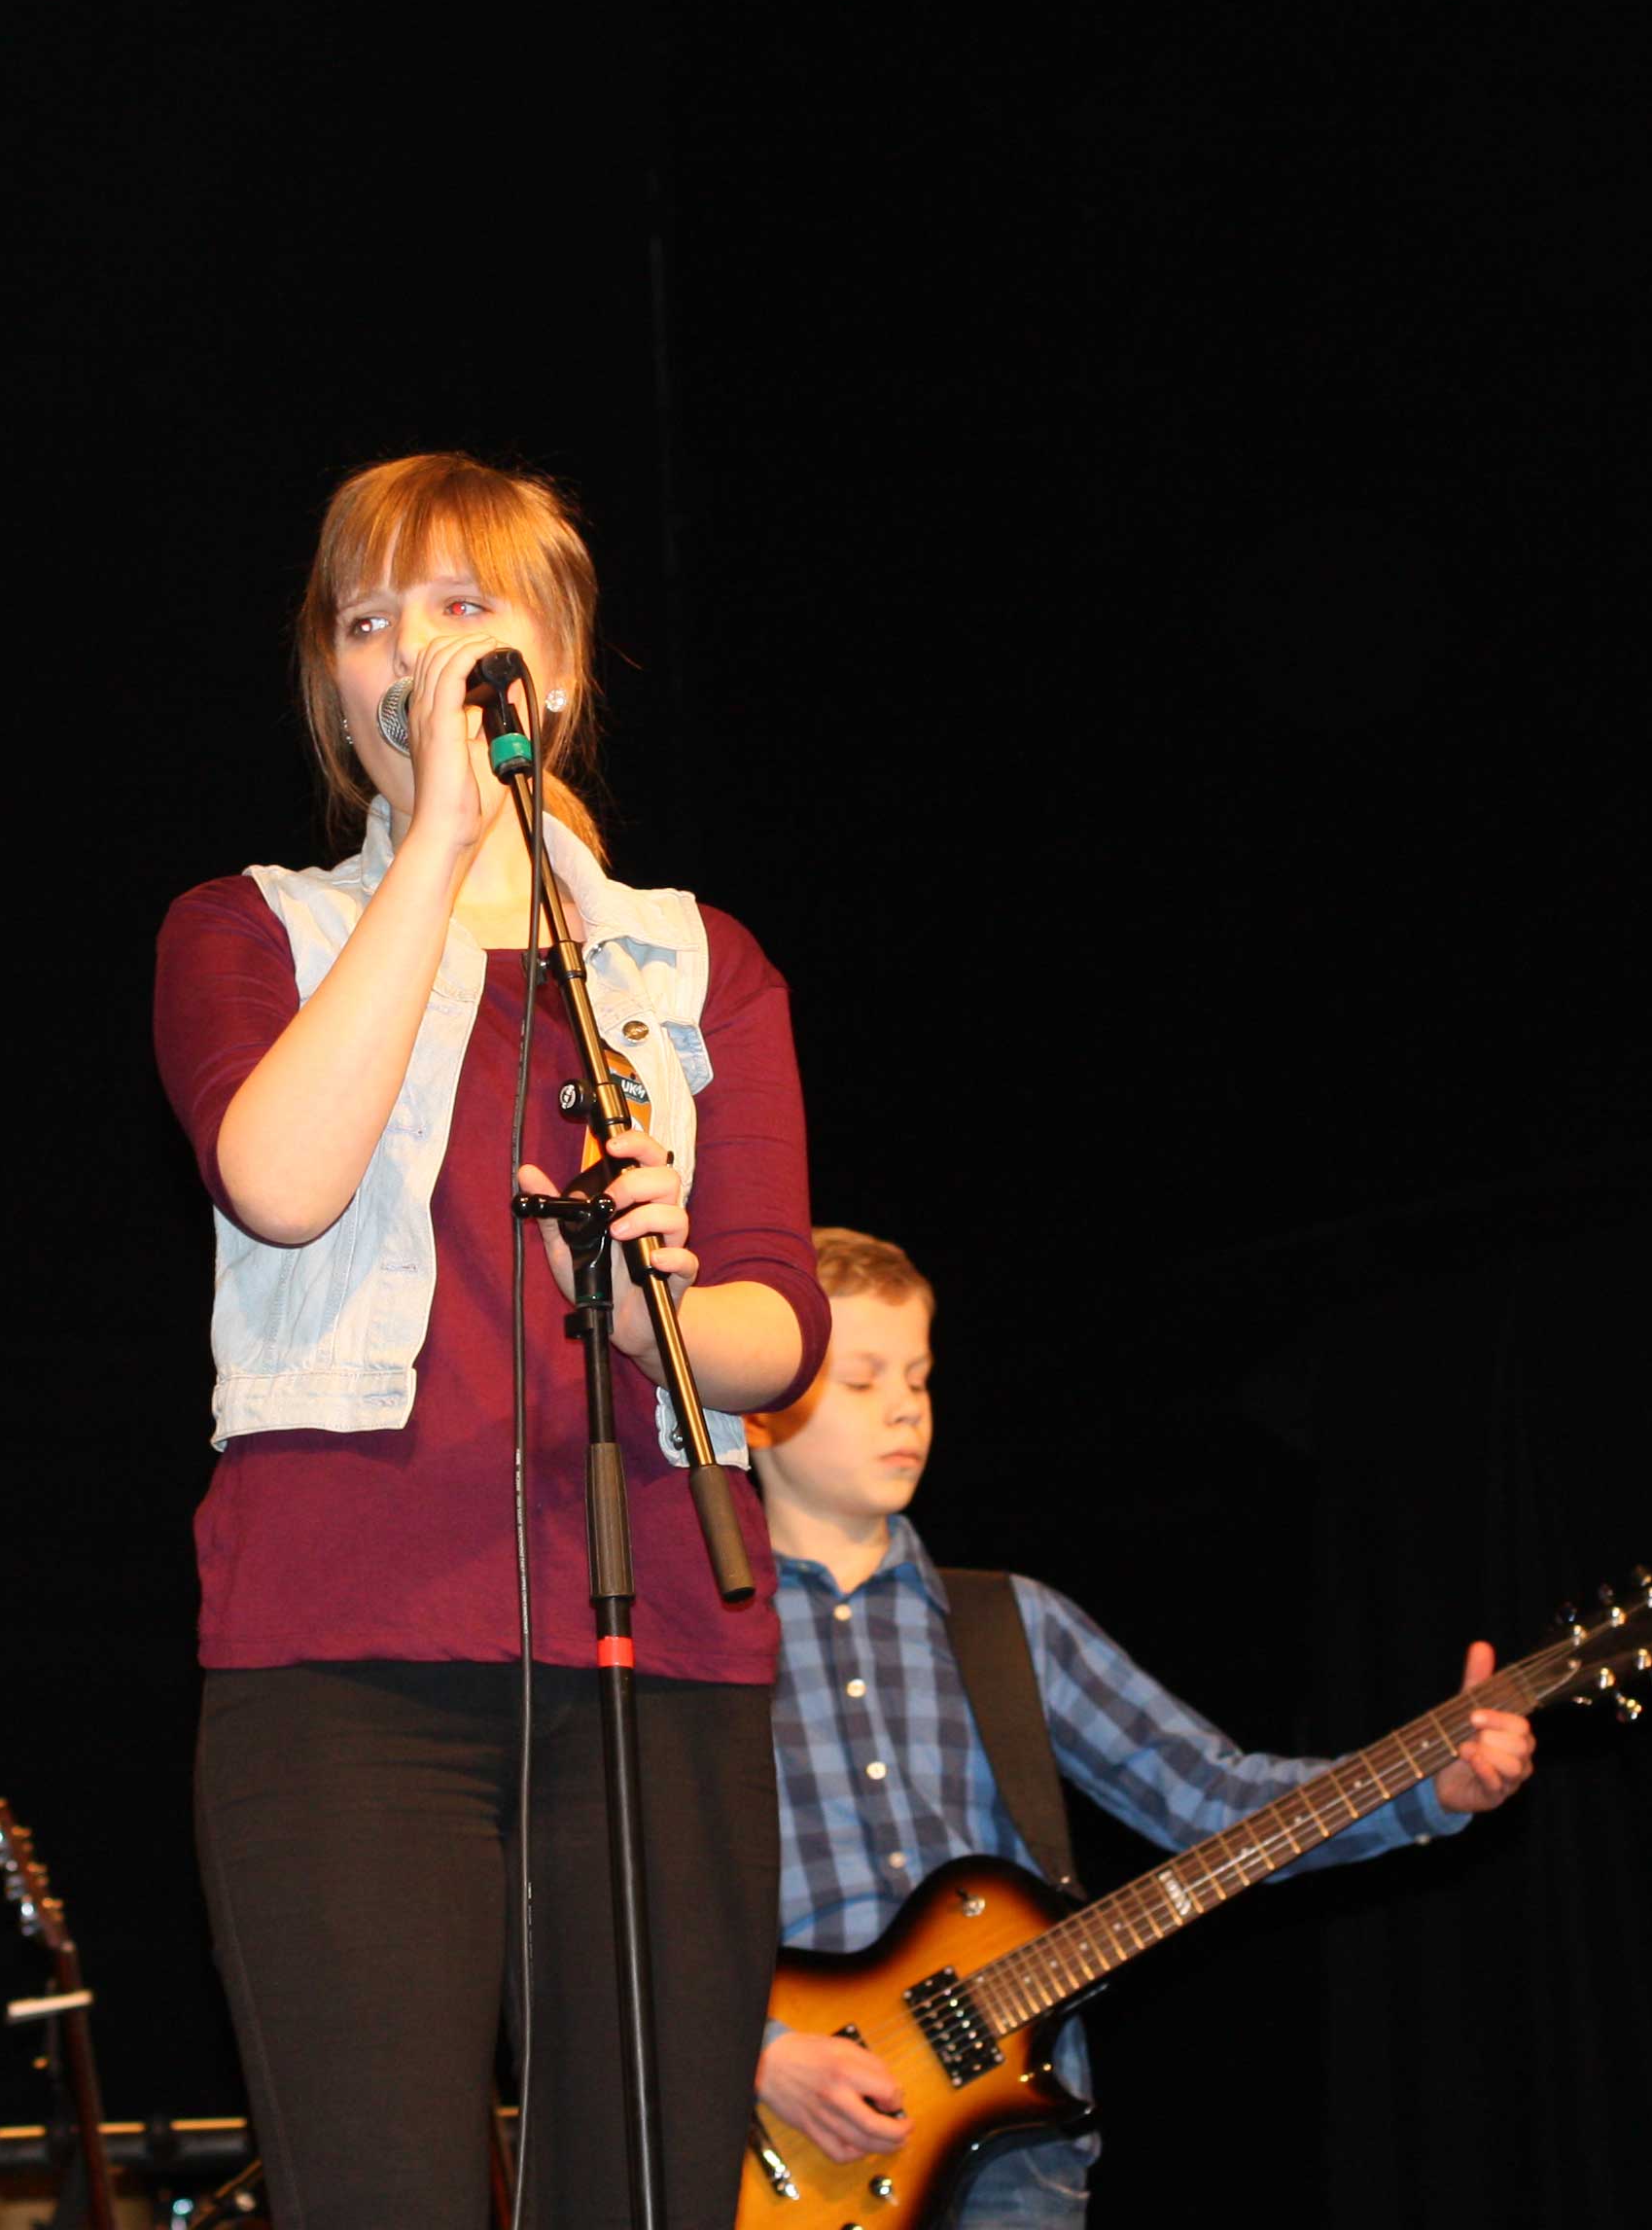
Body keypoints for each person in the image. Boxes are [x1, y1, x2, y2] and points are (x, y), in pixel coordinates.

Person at [150, 453, 835, 2230]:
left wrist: (654, 1303)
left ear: (559, 665)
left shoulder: (694, 966)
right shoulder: (252, 930)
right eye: (368, 620)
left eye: (464, 607)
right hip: (346, 1670)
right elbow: (279, 1180)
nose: (414, 652)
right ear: (335, 692)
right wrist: (444, 848)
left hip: (660, 1658)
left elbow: (775, 1325)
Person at [749, 1229, 1534, 2230]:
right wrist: (761, 2053)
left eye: (919, 1376)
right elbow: (614, 1896)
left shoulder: (1009, 1622)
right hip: (778, 2148)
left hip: (1013, 2155)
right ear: (758, 1410)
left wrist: (1430, 1785)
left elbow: (1214, 1798)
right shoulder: (692, 1645)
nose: (906, 1406)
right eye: (862, 1380)